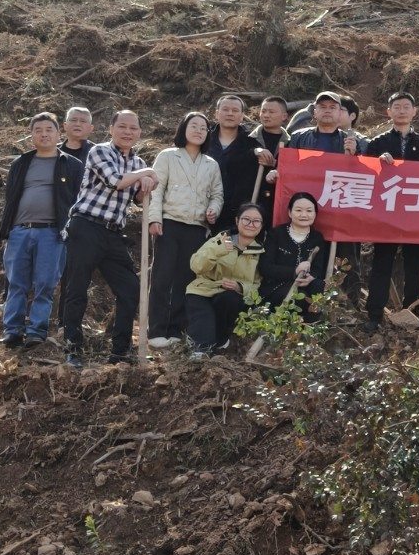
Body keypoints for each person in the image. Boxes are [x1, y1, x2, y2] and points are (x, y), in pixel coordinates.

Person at [57, 109, 159, 368]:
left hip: (113, 233)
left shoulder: (137, 163)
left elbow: (136, 196)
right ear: (111, 129)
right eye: (122, 127)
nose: (127, 132)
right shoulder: (99, 151)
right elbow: (115, 181)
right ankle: (73, 348)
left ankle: (120, 352)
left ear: (139, 133)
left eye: (133, 128)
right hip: (86, 226)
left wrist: (147, 186)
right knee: (77, 288)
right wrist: (146, 173)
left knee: (129, 289)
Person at [0, 112, 83, 346]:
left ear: (58, 133)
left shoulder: (72, 165)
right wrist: (8, 230)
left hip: (53, 233)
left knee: (46, 283)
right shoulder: (21, 163)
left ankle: (37, 330)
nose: (44, 134)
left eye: (49, 130)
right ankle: (12, 330)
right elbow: (11, 198)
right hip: (20, 231)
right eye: (38, 130)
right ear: (31, 135)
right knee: (16, 283)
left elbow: (79, 199)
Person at [145, 111, 223, 349]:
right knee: (162, 277)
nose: (199, 130)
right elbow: (156, 190)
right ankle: (156, 329)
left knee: (186, 280)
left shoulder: (211, 164)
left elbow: (217, 194)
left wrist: (213, 210)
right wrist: (153, 218)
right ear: (183, 129)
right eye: (194, 126)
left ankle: (175, 328)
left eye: (203, 127)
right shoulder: (168, 156)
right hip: (170, 223)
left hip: (197, 228)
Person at [363, 92, 419, 333]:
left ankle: (411, 313)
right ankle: (374, 314)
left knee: (414, 265)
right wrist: (377, 161)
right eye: (397, 107)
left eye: (407, 106)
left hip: (415, 215)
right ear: (389, 112)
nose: (402, 110)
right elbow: (365, 174)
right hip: (386, 215)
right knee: (381, 263)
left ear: (415, 112)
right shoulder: (377, 144)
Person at [284, 91, 362, 303]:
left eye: (333, 107)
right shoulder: (300, 138)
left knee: (346, 259)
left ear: (340, 114)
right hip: (307, 209)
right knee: (309, 254)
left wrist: (355, 155)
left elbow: (367, 176)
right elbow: (288, 169)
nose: (327, 111)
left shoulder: (353, 140)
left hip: (341, 210)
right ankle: (303, 301)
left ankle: (348, 304)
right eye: (323, 107)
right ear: (314, 112)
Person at [183, 203, 265, 357]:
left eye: (256, 221)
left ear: (261, 225)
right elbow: (196, 265)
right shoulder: (222, 239)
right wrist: (217, 249)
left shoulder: (260, 251)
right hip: (203, 289)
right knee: (203, 315)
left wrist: (240, 287)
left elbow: (256, 286)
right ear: (237, 220)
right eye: (246, 219)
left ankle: (220, 340)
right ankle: (201, 352)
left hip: (230, 296)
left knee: (228, 300)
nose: (250, 224)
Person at [258, 192, 329, 318]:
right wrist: (294, 271)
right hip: (277, 286)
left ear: (315, 214)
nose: (304, 215)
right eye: (298, 210)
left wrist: (311, 278)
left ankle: (312, 331)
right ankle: (285, 329)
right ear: (290, 212)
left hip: (305, 284)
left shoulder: (317, 238)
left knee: (320, 287)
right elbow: (265, 267)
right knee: (299, 297)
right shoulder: (276, 234)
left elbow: (318, 268)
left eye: (309, 211)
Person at [202, 94, 262, 233]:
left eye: (235, 111)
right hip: (202, 210)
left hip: (235, 215)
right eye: (225, 109)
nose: (230, 113)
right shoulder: (203, 140)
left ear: (242, 116)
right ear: (217, 113)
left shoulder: (251, 144)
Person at [251, 95, 292, 225]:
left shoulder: (291, 144)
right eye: (263, 111)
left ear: (284, 116)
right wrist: (255, 152)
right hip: (249, 202)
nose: (266, 115)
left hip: (276, 205)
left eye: (271, 112)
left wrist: (276, 165)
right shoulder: (247, 139)